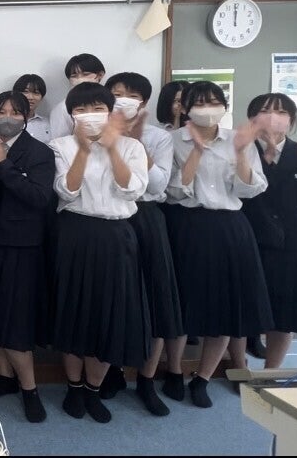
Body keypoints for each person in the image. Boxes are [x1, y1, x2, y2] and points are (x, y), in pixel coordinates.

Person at [163, 80, 273, 408]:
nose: (207, 108)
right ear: (185, 108)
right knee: (182, 304)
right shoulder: (173, 141)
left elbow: (251, 189)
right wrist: (197, 152)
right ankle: (173, 371)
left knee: (226, 309)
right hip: (188, 226)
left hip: (230, 228)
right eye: (199, 102)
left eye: (214, 101)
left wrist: (239, 153)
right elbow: (173, 192)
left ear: (224, 106)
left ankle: (203, 378)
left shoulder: (237, 140)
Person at [49, 82, 149, 424]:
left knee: (110, 313)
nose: (89, 115)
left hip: (116, 236)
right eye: (80, 110)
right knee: (73, 310)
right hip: (74, 233)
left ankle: (94, 388)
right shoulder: (60, 146)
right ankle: (74, 387)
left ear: (109, 112)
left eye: (97, 108)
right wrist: (83, 149)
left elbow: (132, 190)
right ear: (71, 116)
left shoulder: (132, 146)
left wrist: (112, 148)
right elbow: (66, 190)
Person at [105, 72, 182, 416]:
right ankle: (112, 371)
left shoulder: (159, 137)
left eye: (131, 95)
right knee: (115, 299)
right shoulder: (97, 132)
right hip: (111, 219)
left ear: (144, 102)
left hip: (147, 218)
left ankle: (147, 381)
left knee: (155, 299)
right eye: (116, 93)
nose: (123, 100)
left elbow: (158, 186)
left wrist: (137, 143)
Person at [0, 92, 54, 423]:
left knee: (16, 320)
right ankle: (5, 378)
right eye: (1, 110)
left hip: (22, 247)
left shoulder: (39, 152)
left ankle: (29, 389)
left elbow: (38, 197)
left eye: (14, 111)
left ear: (26, 117)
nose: (6, 116)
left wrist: (2, 165)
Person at [240, 93, 297, 368]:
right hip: (250, 240)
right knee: (242, 309)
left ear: (291, 120)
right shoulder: (240, 149)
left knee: (286, 314)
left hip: (293, 243)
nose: (272, 117)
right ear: (252, 118)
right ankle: (239, 367)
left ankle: (270, 372)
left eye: (281, 112)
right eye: (265, 110)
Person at [50, 53, 106, 140]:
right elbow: (59, 141)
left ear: (100, 75)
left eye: (85, 74)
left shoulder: (112, 102)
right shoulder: (63, 108)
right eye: (74, 76)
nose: (80, 79)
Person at [13, 74, 51, 143]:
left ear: (42, 98)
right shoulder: (6, 122)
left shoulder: (47, 124)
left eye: (36, 93)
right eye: (26, 92)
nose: (30, 97)